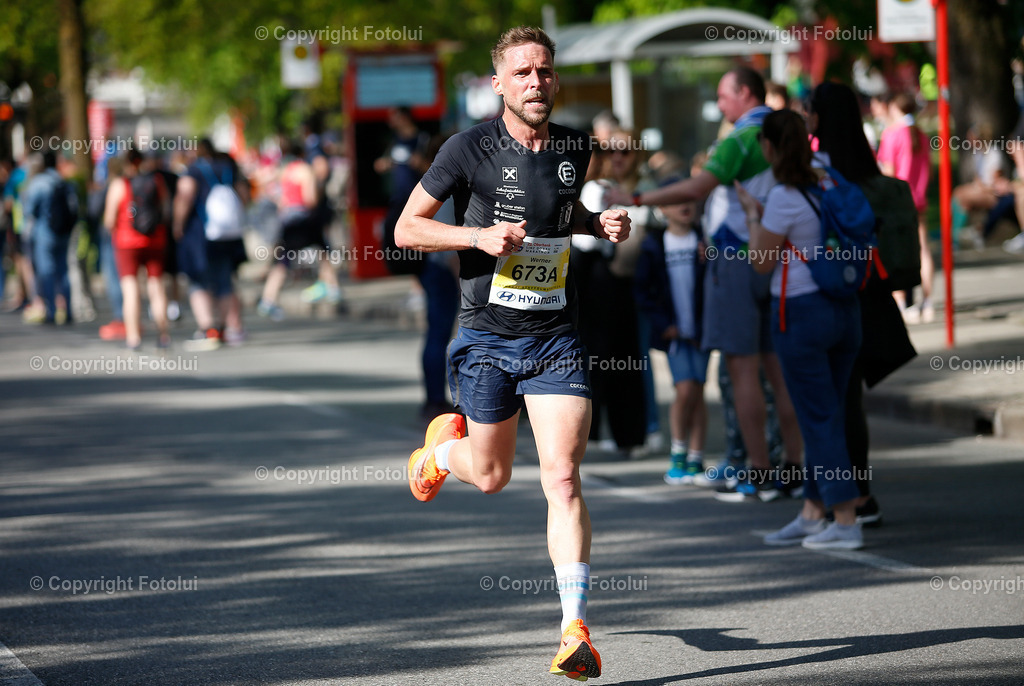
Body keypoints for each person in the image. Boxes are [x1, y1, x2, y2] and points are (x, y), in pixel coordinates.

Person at [395, 26, 631, 682]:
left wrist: (597, 224)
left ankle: (574, 629)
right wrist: (477, 237)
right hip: (487, 339)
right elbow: (407, 228)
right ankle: (440, 454)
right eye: (522, 73)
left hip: (556, 337)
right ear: (499, 84)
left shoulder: (577, 146)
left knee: (562, 477)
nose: (536, 82)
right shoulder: (466, 148)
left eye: (545, 71)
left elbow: (558, 212)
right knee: (493, 476)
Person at [610, 67, 804, 503]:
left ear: (745, 93)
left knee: (743, 371)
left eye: (723, 96)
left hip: (738, 262)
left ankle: (759, 472)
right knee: (779, 371)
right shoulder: (789, 136)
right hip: (781, 260)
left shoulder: (741, 139)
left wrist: (636, 198)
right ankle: (793, 467)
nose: (719, 105)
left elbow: (696, 188)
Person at [736, 108, 865, 550]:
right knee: (829, 414)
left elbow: (760, 262)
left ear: (769, 147)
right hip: (845, 307)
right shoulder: (828, 177)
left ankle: (845, 519)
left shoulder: (785, 196)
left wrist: (752, 215)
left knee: (818, 417)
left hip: (802, 314)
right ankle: (813, 512)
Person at [807, 81, 918, 527]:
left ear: (817, 117)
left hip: (831, 294)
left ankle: (843, 501)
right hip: (869, 294)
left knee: (833, 401)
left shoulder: (819, 172)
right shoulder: (864, 169)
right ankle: (861, 495)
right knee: (849, 401)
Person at [576, 129, 649, 456]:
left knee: (608, 356)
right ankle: (613, 434)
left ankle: (614, 434)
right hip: (594, 283)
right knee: (603, 358)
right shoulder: (586, 187)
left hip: (601, 283)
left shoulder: (598, 189)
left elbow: (591, 240)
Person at [634, 190, 709, 484]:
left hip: (701, 332)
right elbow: (643, 290)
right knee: (685, 389)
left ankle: (696, 458)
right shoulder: (654, 244)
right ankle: (678, 453)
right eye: (675, 201)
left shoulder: (704, 240)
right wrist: (664, 324)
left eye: (688, 199)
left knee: (698, 391)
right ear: (662, 209)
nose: (684, 205)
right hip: (675, 334)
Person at [257, 140, 340, 319]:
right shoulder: (305, 170)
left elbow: (275, 193)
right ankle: (333, 289)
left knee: (284, 259)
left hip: (288, 218)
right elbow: (310, 199)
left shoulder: (285, 171)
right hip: (304, 218)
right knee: (322, 251)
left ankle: (268, 299)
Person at [102, 150, 170, 350]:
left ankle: (134, 338)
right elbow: (165, 210)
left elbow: (109, 219)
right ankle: (163, 336)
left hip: (126, 243)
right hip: (155, 241)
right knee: (156, 287)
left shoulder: (119, 184)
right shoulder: (156, 181)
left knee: (130, 289)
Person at [877, 92, 934, 324]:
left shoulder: (892, 134)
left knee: (896, 251)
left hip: (897, 200)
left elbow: (888, 172)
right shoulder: (921, 135)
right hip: (918, 198)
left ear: (895, 108)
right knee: (923, 249)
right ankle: (928, 302)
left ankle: (901, 304)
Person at [23, 151, 75, 325]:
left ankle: (51, 310)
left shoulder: (39, 182)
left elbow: (29, 210)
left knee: (47, 271)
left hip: (45, 233)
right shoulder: (63, 181)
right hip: (64, 233)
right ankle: (68, 310)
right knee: (63, 271)